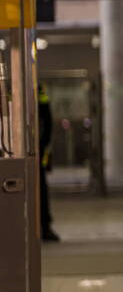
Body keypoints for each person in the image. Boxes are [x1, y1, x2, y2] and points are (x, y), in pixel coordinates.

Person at [38, 82, 59, 242]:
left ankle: (45, 226)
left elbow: (47, 118)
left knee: (40, 188)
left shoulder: (37, 87)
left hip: (36, 147)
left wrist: (43, 144)